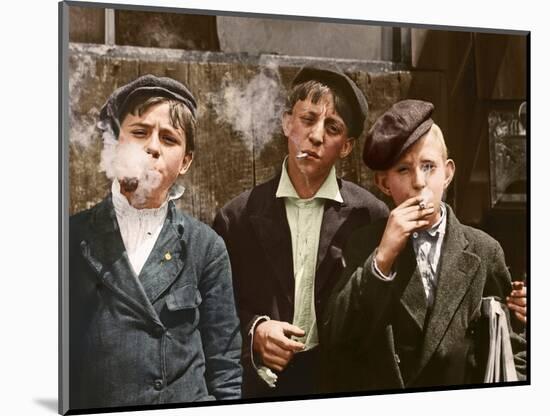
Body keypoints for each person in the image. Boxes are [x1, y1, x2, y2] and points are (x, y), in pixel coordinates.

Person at [321, 100, 526, 392]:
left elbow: (514, 342)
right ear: (384, 184)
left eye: (429, 167)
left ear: (448, 173)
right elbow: (336, 335)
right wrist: (382, 259)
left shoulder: (484, 250)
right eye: (403, 170)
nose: (419, 182)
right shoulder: (365, 244)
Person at [213, 66, 389, 398]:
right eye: (308, 119)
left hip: (341, 385)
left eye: (332, 127)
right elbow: (215, 309)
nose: (317, 135)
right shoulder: (237, 217)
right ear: (286, 123)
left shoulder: (371, 217)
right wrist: (255, 331)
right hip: (263, 389)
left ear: (347, 146)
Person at [69, 75, 242, 410]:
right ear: (116, 142)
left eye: (169, 138)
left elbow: (225, 368)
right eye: (139, 132)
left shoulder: (205, 247)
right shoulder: (71, 238)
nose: (152, 146)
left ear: (186, 161)